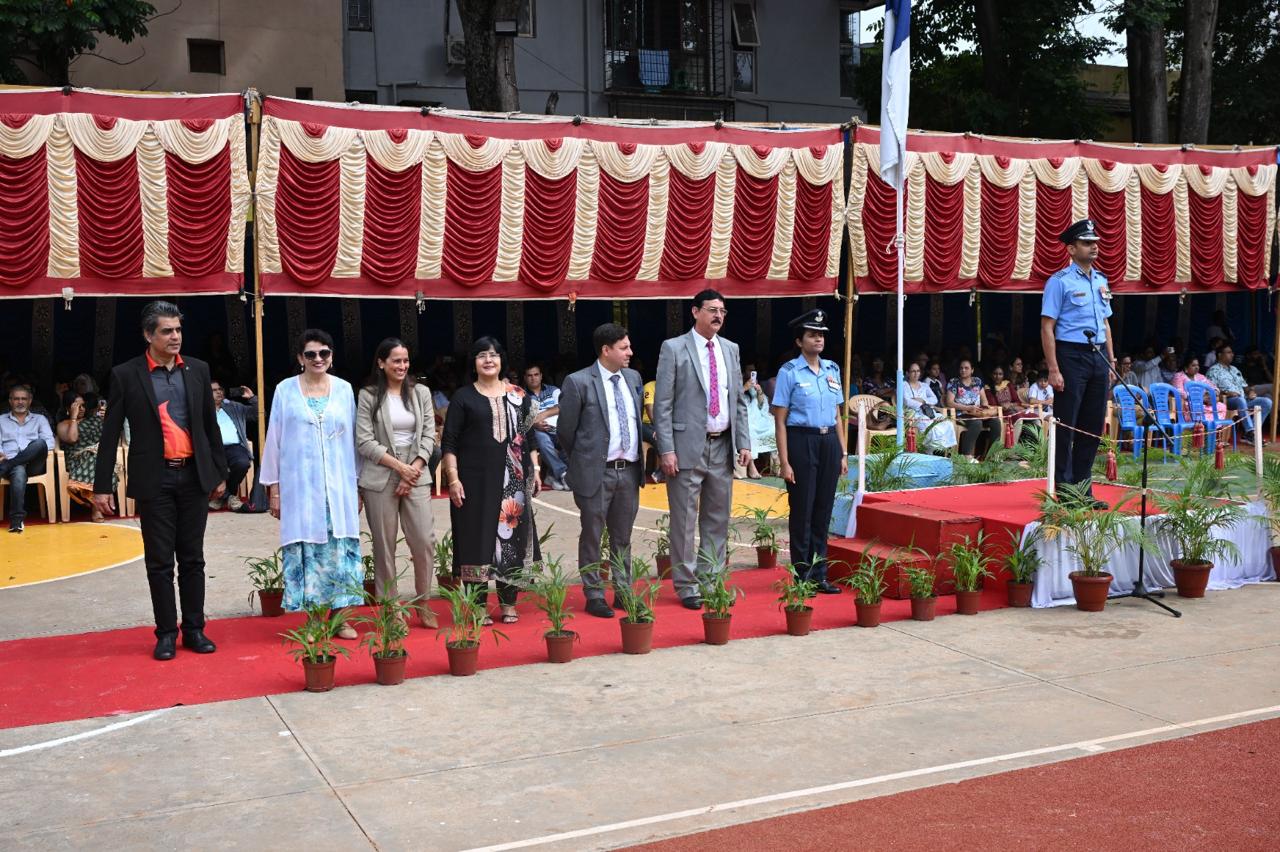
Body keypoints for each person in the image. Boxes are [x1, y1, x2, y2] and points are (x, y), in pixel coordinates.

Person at [92, 301, 227, 660]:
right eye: (167, 331)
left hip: (194, 476)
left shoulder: (197, 370)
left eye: (178, 330)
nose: (175, 337)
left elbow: (209, 426)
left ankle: (195, 629)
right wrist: (101, 486)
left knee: (193, 558)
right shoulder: (126, 374)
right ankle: (166, 632)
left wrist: (219, 472)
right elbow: (109, 436)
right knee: (159, 562)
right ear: (148, 335)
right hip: (155, 478)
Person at [653, 289, 751, 609]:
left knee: (717, 517)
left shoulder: (731, 349)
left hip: (722, 444)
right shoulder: (674, 348)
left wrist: (745, 442)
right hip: (684, 448)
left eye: (722, 310)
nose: (718, 316)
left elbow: (737, 400)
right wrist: (666, 449)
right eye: (712, 309)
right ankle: (686, 585)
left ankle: (711, 579)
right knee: (683, 519)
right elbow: (663, 405)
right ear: (695, 312)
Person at [260, 329, 362, 639]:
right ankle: (316, 620)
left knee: (341, 548)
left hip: (339, 486)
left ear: (331, 357)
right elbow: (274, 439)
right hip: (301, 487)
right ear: (300, 358)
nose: (318, 359)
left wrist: (357, 485)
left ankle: (341, 619)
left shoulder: (344, 390)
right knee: (310, 551)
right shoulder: (285, 390)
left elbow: (355, 442)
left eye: (324, 353)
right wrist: (273, 489)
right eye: (311, 354)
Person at [440, 337, 540, 624]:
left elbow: (530, 436)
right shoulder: (463, 397)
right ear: (473, 362)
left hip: (513, 482)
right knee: (476, 541)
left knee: (511, 542)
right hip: (474, 483)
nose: (488, 360)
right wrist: (454, 479)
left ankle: (509, 603)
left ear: (501, 361)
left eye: (494, 355)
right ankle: (479, 607)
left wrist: (535, 468)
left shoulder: (518, 395)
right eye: (482, 355)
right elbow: (450, 442)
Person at [557, 323, 644, 619]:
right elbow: (566, 432)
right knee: (592, 534)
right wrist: (585, 460)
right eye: (624, 347)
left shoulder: (633, 378)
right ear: (606, 350)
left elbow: (633, 420)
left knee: (623, 536)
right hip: (596, 472)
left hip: (629, 471)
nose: (630, 352)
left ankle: (622, 591)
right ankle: (594, 593)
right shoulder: (578, 382)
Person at [356, 338, 438, 629]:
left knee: (424, 541)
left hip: (416, 472)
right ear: (381, 363)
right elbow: (364, 441)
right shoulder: (368, 395)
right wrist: (398, 468)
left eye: (405, 360)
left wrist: (411, 469)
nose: (402, 366)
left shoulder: (421, 392)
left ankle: (424, 601)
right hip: (380, 474)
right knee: (384, 545)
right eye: (395, 361)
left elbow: (430, 436)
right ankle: (390, 608)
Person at [771, 310, 848, 592]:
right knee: (802, 511)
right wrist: (784, 461)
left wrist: (842, 452)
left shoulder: (832, 369)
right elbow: (779, 419)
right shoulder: (789, 372)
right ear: (799, 341)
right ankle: (802, 576)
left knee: (823, 510)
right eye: (812, 335)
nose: (818, 339)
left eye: (822, 334)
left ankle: (820, 574)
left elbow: (838, 414)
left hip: (828, 441)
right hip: (801, 441)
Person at [1041, 218, 1113, 507]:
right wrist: (1054, 368)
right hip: (1070, 355)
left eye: (1094, 242)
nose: (1093, 247)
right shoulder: (1059, 282)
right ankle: (1066, 491)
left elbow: (1106, 324)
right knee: (1067, 424)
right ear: (1071, 249)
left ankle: (1084, 490)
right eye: (1086, 243)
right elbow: (1048, 326)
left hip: (1098, 357)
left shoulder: (1101, 280)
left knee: (1092, 426)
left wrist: (1111, 360)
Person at [56, 389, 118, 522]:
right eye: (77, 406)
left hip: (96, 456)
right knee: (98, 460)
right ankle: (96, 508)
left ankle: (95, 504)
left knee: (98, 459)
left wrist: (106, 419)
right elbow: (72, 438)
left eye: (83, 405)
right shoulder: (63, 425)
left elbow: (111, 438)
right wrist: (73, 418)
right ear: (68, 408)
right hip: (76, 459)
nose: (82, 409)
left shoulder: (93, 421)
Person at [0, 385, 54, 533]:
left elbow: (49, 443)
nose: (20, 402)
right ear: (10, 401)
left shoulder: (40, 419)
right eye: (16, 398)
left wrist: (13, 460)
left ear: (30, 401)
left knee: (40, 443)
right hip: (10, 465)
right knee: (18, 471)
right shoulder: (1, 420)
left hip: (33, 464)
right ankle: (17, 521)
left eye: (24, 398)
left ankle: (9, 465)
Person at [1206, 344, 1273, 444]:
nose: (1232, 354)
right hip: (1228, 401)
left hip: (1244, 399)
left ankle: (1250, 435)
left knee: (1267, 401)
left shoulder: (1234, 369)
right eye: (1228, 352)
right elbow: (1211, 391)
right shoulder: (1213, 371)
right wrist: (1227, 393)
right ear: (1220, 355)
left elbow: (1246, 387)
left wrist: (1251, 392)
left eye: (1232, 352)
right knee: (1240, 400)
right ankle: (1250, 431)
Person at [209, 380, 256, 512]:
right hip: (212, 449)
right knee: (209, 463)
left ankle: (222, 497)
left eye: (220, 389)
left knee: (242, 463)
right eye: (214, 390)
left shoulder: (233, 406)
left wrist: (252, 398)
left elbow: (257, 415)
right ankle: (230, 497)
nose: (219, 392)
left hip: (234, 447)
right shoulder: (202, 410)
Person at [523, 364, 568, 491]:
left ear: (541, 376)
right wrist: (534, 423)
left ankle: (552, 476)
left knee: (572, 440)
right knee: (542, 440)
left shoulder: (553, 390)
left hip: (559, 429)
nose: (533, 378)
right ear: (525, 378)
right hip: (539, 431)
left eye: (536, 374)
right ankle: (563, 473)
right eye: (529, 375)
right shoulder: (522, 395)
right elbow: (521, 418)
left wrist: (543, 414)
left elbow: (562, 406)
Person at [946, 360, 1001, 460]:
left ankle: (992, 455)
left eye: (966, 368)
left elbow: (984, 401)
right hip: (961, 413)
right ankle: (967, 456)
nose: (963, 370)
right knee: (976, 423)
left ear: (972, 370)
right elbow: (949, 402)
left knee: (996, 422)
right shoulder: (954, 382)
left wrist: (985, 410)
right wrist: (968, 408)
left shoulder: (977, 381)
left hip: (976, 413)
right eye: (961, 368)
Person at [900, 363, 958, 453]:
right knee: (930, 425)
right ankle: (932, 451)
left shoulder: (924, 385)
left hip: (928, 412)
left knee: (947, 422)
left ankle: (945, 450)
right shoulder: (904, 385)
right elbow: (907, 401)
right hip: (913, 414)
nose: (916, 374)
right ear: (907, 373)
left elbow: (934, 399)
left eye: (918, 371)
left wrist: (922, 400)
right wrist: (921, 404)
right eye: (913, 371)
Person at [741, 363, 776, 478]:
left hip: (758, 417)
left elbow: (762, 405)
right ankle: (751, 466)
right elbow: (730, 400)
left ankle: (777, 467)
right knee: (749, 430)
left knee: (774, 427)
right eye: (750, 370)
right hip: (744, 418)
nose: (752, 372)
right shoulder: (737, 382)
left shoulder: (755, 384)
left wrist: (759, 391)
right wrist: (744, 388)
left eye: (754, 370)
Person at [985, 365, 1035, 444]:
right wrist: (1004, 406)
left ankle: (1033, 446)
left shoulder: (1008, 384)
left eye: (1000, 374)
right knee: (1019, 418)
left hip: (1014, 409)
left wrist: (1010, 405)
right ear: (991, 375)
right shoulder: (988, 388)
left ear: (1003, 375)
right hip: (1002, 413)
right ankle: (1013, 447)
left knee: (1035, 418)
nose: (997, 376)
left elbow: (1017, 401)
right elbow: (993, 405)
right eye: (995, 374)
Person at [1171, 354, 1227, 423]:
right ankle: (1205, 426)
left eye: (1197, 365)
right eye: (1193, 365)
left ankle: (1212, 426)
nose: (1197, 367)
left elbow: (1214, 387)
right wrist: (1200, 398)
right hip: (1189, 404)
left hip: (1204, 403)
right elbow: (1180, 393)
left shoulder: (1201, 377)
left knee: (1222, 406)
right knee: (1197, 409)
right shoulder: (1178, 376)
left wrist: (1211, 395)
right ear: (1186, 368)